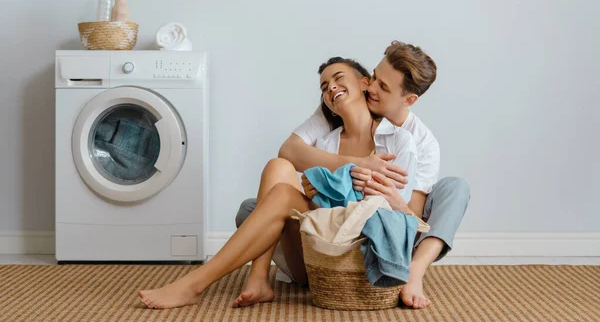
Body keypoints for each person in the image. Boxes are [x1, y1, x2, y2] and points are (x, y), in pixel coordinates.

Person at [138, 57, 419, 309]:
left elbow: (395, 216)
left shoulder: (398, 140)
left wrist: (344, 186)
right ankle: (258, 278)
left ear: (364, 83)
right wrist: (316, 192)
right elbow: (309, 189)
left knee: (283, 194)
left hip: (361, 258)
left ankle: (195, 284)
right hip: (317, 256)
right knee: (279, 167)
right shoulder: (325, 143)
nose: (330, 87)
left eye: (338, 78)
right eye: (324, 86)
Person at [236, 41, 471, 309]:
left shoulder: (419, 141)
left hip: (393, 220)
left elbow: (410, 218)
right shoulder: (342, 104)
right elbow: (288, 150)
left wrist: (382, 193)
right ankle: (289, 273)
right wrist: (345, 171)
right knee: (252, 209)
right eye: (374, 77)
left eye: (383, 87)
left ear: (408, 100)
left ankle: (414, 272)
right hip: (335, 222)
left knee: (455, 187)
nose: (371, 88)